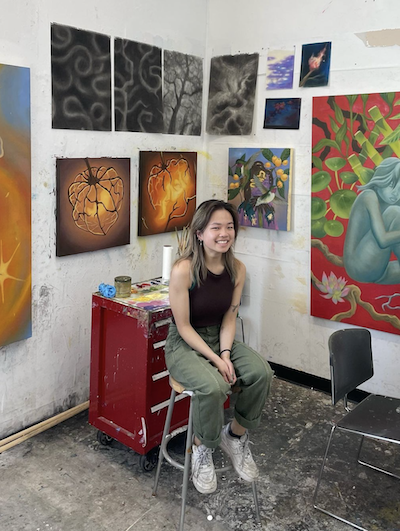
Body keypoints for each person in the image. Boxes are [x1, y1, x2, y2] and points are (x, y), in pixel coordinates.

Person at [165, 199, 273, 494]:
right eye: (216, 227)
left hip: (218, 336)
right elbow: (184, 327)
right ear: (199, 233)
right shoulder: (183, 270)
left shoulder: (237, 269)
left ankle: (234, 436)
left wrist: (225, 354)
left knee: (261, 373)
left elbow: (229, 317)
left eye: (229, 227)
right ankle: (202, 447)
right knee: (213, 387)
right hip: (184, 344)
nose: (224, 233)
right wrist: (215, 358)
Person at [344, 157, 400, 284]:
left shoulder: (391, 199)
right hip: (359, 267)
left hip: (379, 271)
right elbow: (383, 240)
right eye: (392, 185)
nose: (395, 194)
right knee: (395, 212)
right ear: (381, 179)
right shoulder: (368, 196)